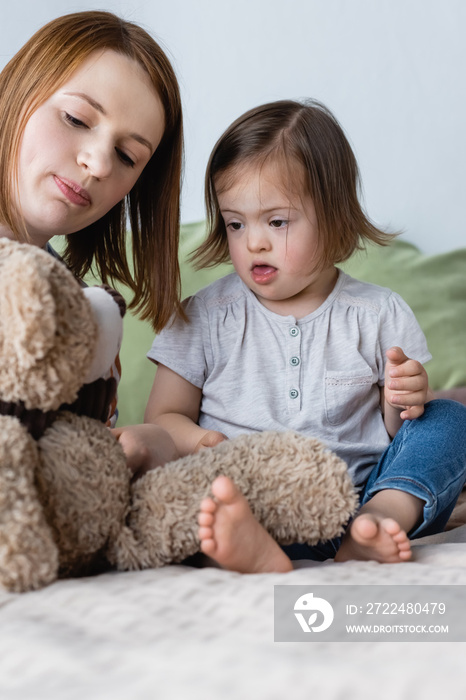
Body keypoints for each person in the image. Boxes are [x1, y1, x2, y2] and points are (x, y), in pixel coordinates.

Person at [144, 99, 466, 571]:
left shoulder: (377, 312)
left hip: (353, 499)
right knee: (196, 501)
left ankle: (379, 521)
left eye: (277, 221)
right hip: (247, 496)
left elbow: (397, 431)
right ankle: (254, 547)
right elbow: (163, 417)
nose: (254, 241)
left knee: (448, 419)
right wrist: (201, 443)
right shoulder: (204, 317)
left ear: (333, 216)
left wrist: (405, 400)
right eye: (236, 223)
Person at [0, 10, 182, 468]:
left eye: (127, 155)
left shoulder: (91, 317)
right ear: (17, 92)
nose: (99, 164)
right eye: (77, 119)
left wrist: (151, 446)